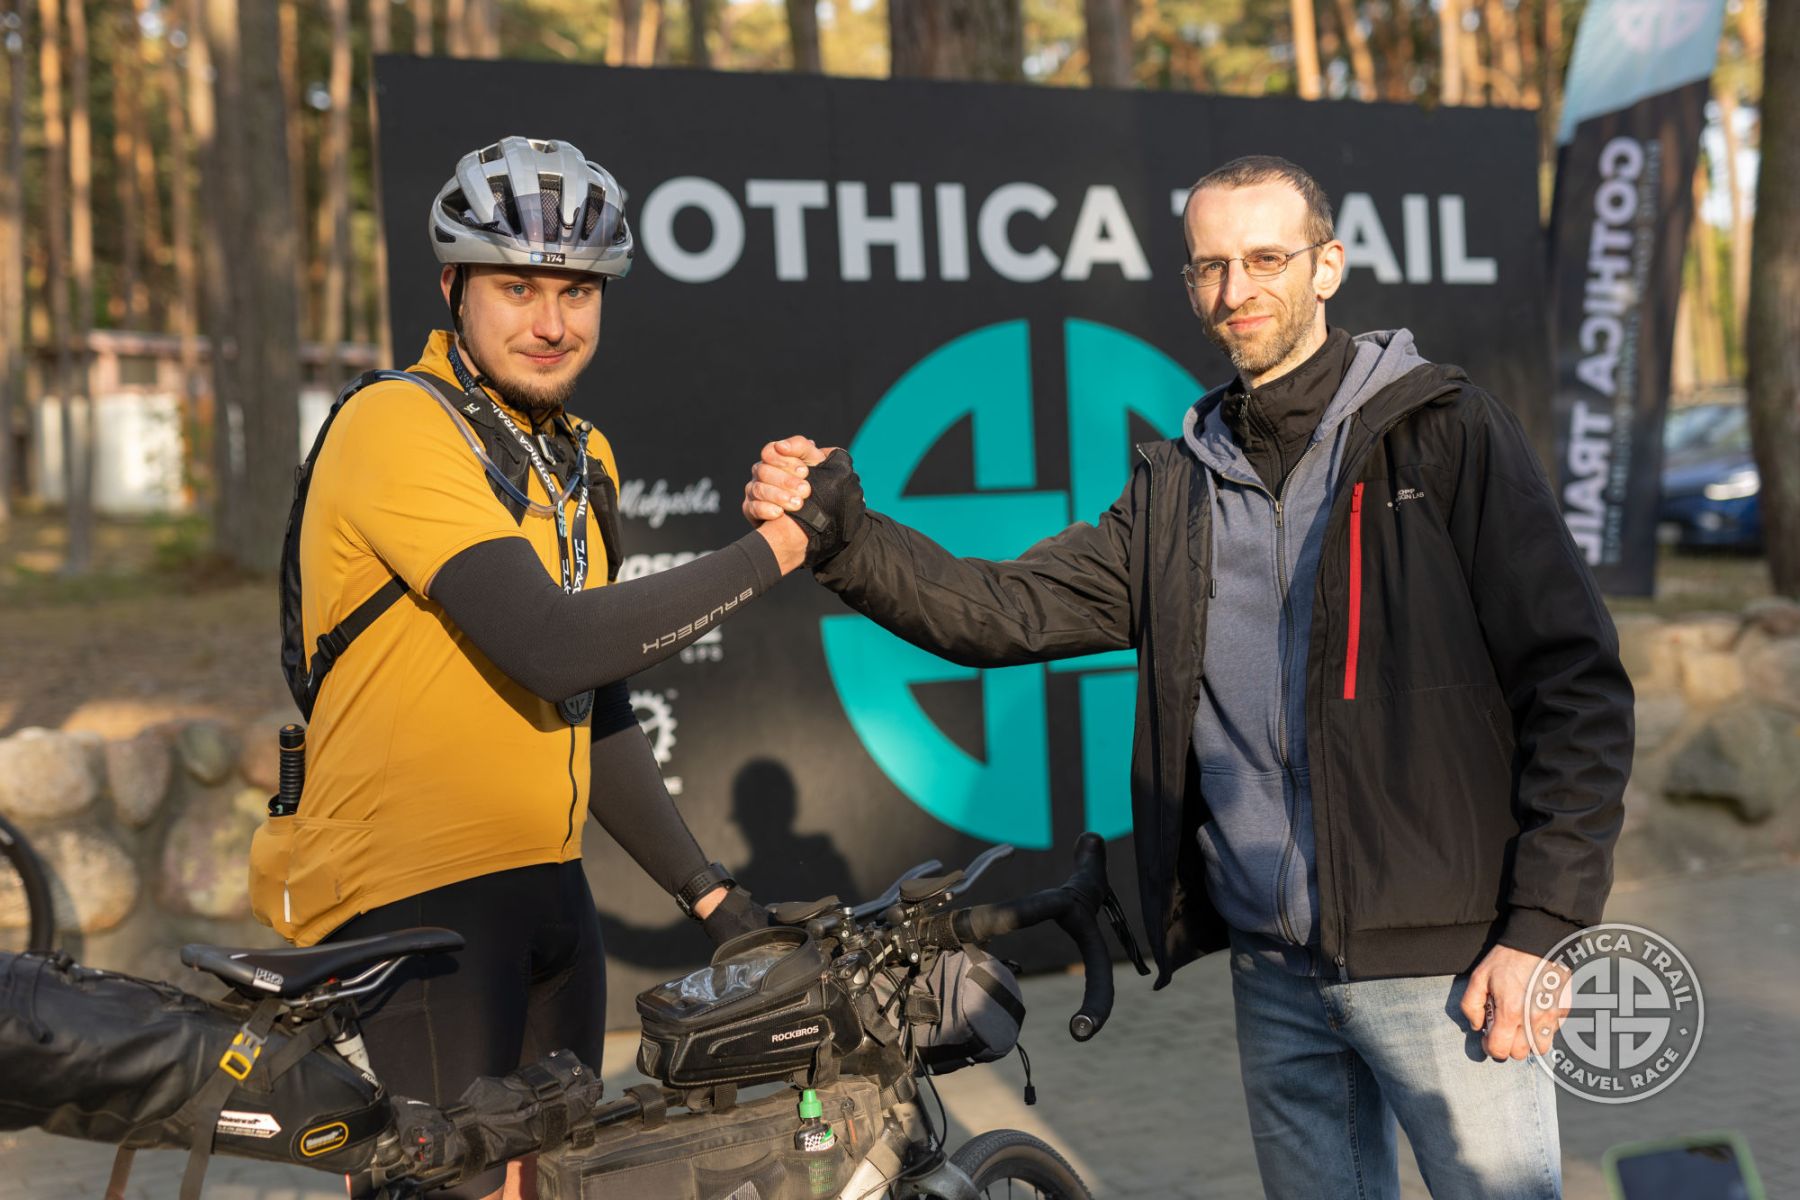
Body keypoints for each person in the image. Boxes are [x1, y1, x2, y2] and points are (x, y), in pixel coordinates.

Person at [741, 156, 1633, 1199]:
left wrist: (1541, 929)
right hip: (1276, 975)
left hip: (1451, 963)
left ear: (1328, 265)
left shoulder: (1441, 431)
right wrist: (846, 537)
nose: (1235, 289)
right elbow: (1002, 608)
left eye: (1266, 258)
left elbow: (1576, 685)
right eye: (1210, 266)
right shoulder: (1177, 488)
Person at [249, 135, 809, 1200]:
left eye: (577, 291)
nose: (552, 323)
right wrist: (780, 548)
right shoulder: (395, 424)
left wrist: (710, 897)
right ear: (453, 288)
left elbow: (590, 697)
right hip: (414, 902)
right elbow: (552, 642)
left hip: (550, 894)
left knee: (559, 1184)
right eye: (517, 288)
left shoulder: (579, 458)